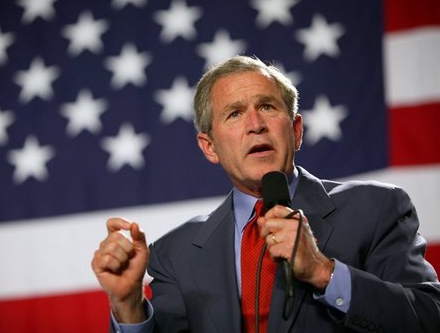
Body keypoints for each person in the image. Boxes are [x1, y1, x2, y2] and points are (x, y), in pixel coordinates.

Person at [92, 55, 440, 332]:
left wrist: (324, 272)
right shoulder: (174, 254)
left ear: (296, 130)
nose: (255, 124)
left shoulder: (376, 209)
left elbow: (429, 319)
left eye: (268, 107)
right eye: (234, 113)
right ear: (209, 147)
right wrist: (128, 306)